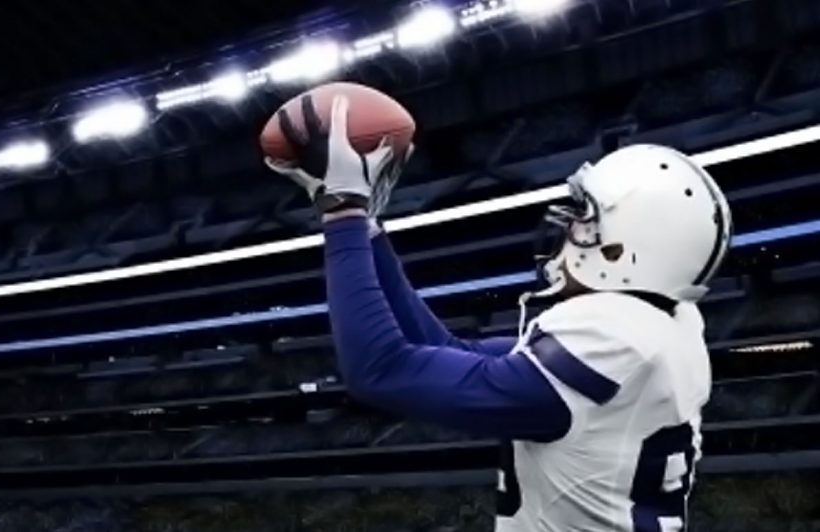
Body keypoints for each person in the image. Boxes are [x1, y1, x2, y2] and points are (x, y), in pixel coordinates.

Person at [265, 95, 733, 532]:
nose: (568, 228)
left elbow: (378, 368)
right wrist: (367, 230)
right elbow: (446, 351)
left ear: (619, 253)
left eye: (585, 221)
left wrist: (342, 211)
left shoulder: (609, 347)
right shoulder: (661, 327)